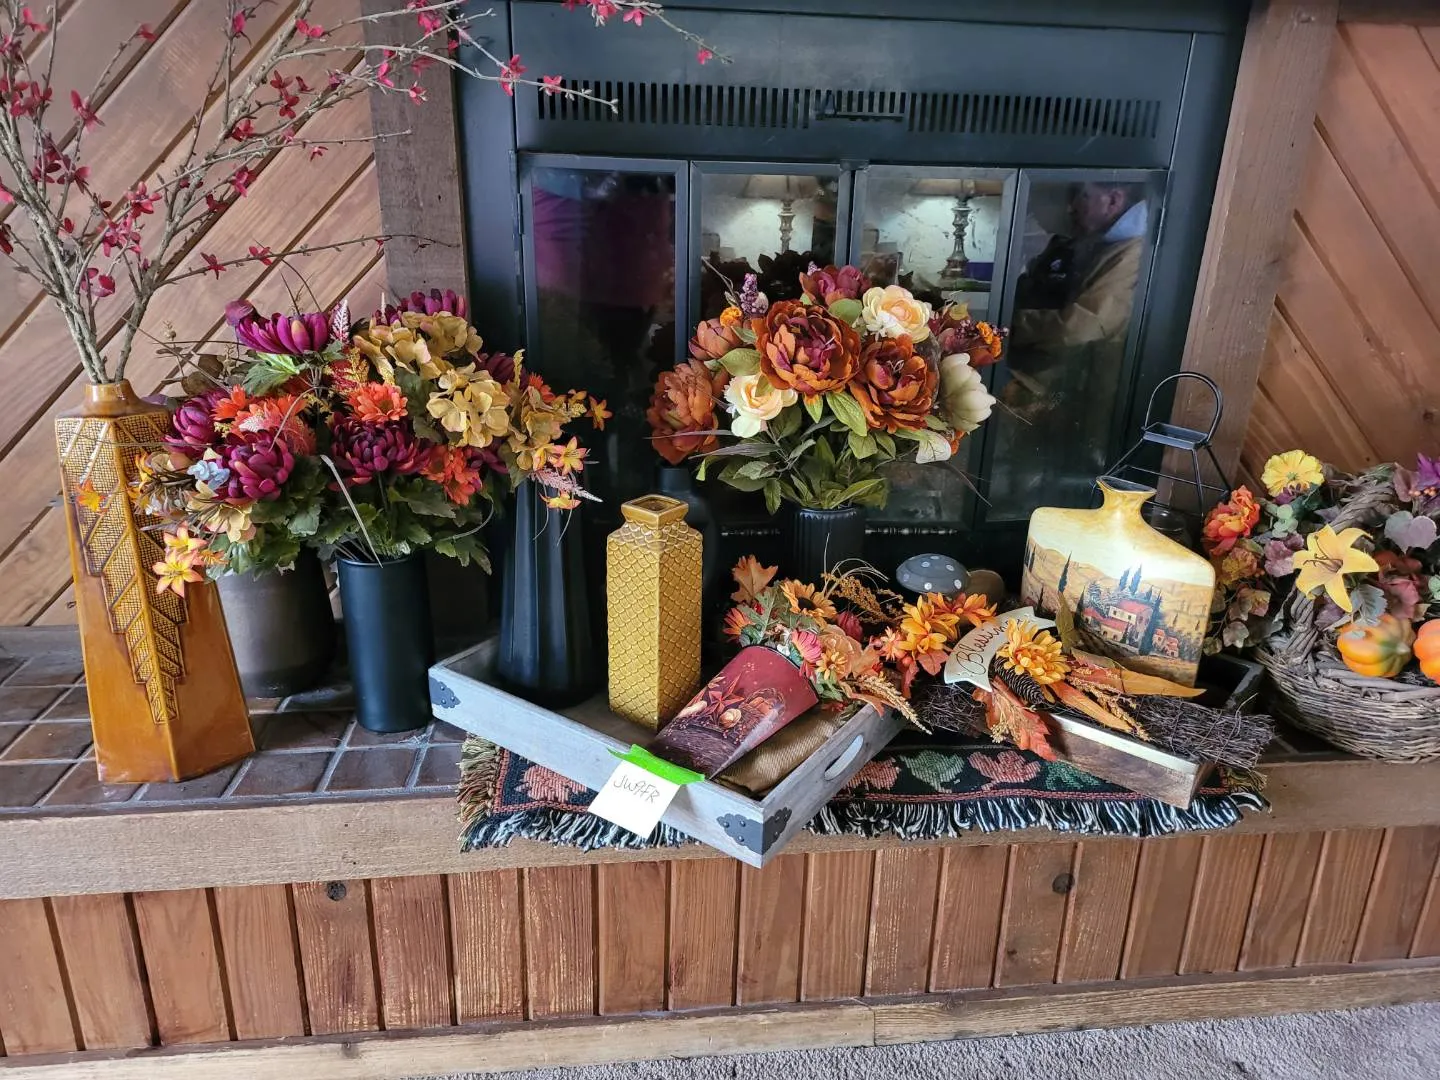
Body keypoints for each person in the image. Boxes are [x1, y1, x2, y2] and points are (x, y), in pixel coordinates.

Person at [989, 182, 1150, 515]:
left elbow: (1082, 325)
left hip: (1087, 389)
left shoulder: (1133, 251)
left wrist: (1008, 327)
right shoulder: (1098, 244)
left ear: (1114, 199)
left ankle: (1029, 517)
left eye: (1082, 195)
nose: (1071, 207)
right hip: (1061, 381)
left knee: (1061, 475)